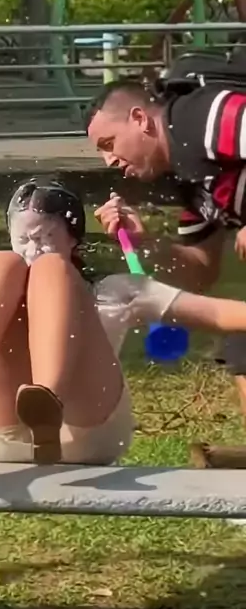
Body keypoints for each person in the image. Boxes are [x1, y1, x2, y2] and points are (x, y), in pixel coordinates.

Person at [0, 179, 246, 469]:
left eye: (46, 237)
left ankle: (48, 401)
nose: (32, 249)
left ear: (74, 239)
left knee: (52, 270)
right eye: (23, 239)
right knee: (0, 265)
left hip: (85, 432)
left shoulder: (116, 290)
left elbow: (217, 314)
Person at [87, 79, 246, 420]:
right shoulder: (188, 182)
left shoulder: (201, 117)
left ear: (139, 119)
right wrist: (145, 242)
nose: (108, 160)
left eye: (109, 143)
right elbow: (201, 272)